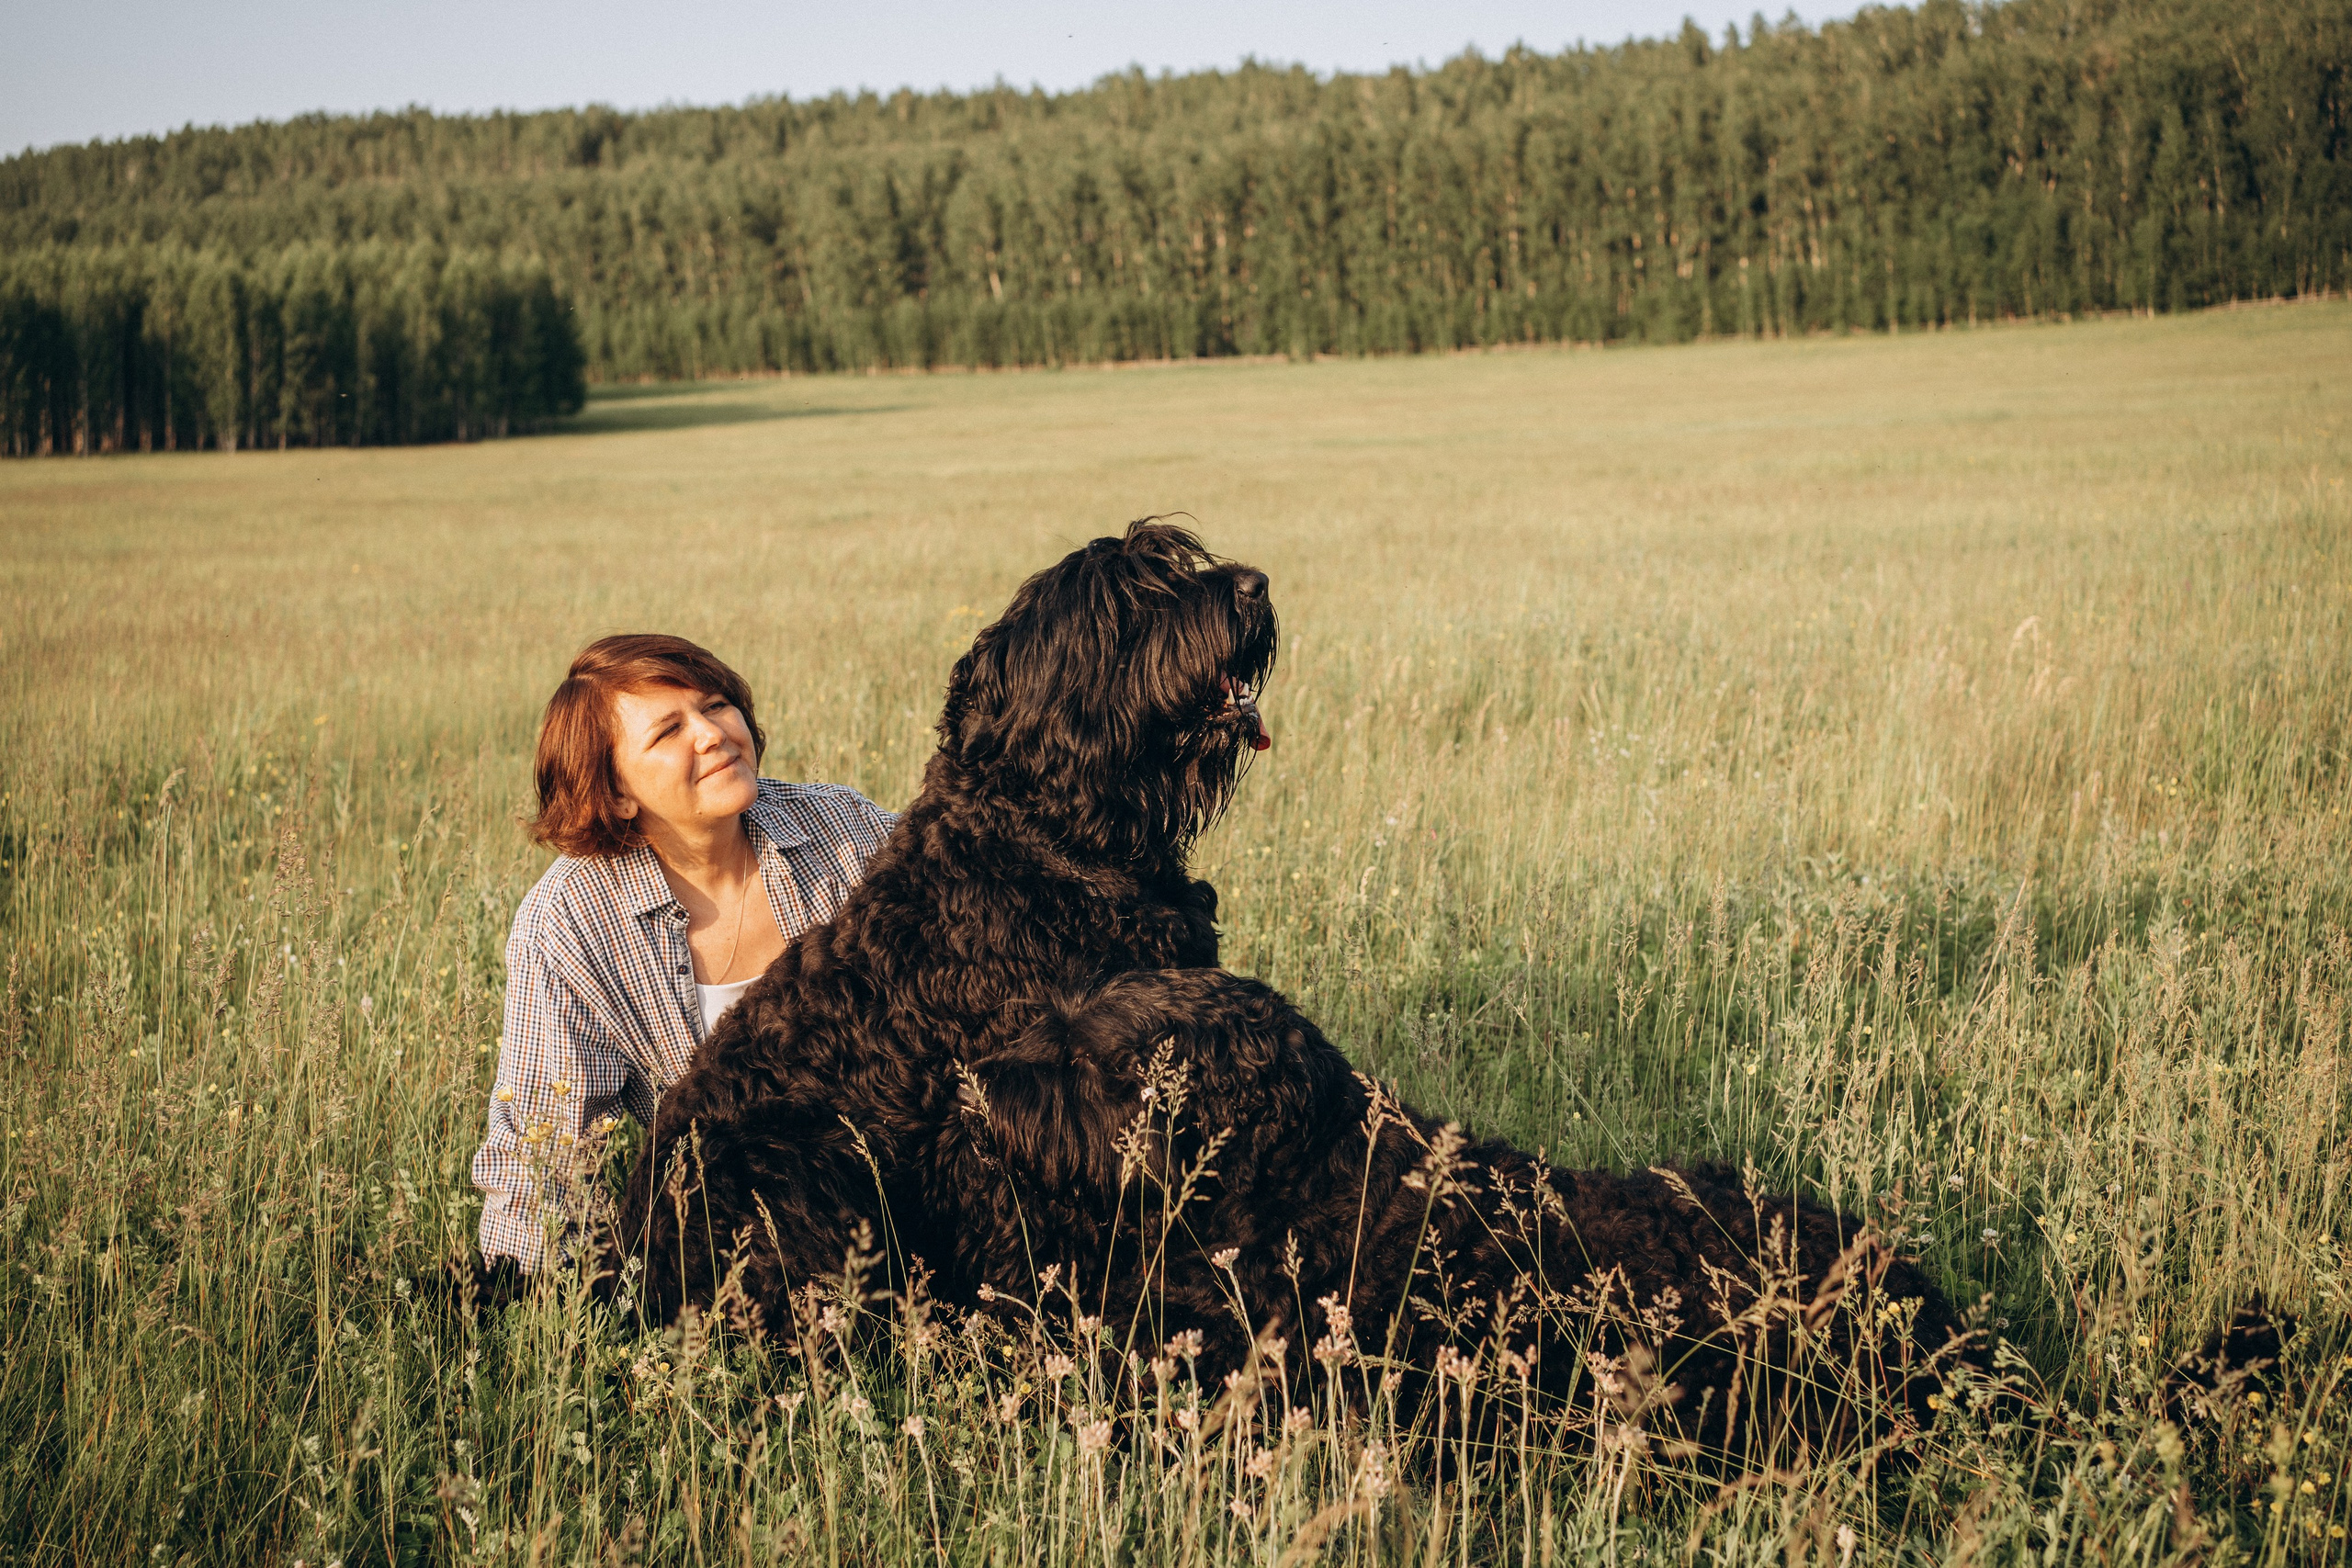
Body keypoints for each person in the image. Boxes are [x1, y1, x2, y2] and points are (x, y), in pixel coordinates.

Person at [469, 633, 895, 1273]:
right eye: (668, 731)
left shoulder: (844, 828)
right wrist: (530, 1317)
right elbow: (545, 1150)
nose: (712, 733)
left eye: (717, 705)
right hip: (757, 1243)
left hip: (908, 1168)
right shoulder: (570, 924)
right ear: (616, 793)